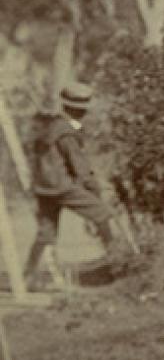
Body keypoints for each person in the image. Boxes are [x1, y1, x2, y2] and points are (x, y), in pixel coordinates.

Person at [22, 83, 114, 290]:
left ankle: (27, 277)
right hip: (62, 187)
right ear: (81, 110)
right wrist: (95, 190)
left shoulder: (48, 126)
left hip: (43, 187)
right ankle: (118, 266)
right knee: (103, 215)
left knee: (45, 233)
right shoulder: (67, 132)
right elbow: (81, 169)